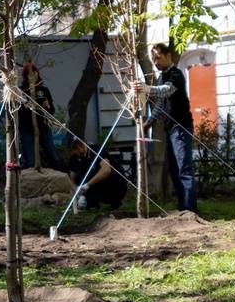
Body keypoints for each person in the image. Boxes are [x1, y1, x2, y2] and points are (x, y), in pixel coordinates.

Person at [134, 43, 197, 213]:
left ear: (168, 56)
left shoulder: (176, 75)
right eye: (153, 58)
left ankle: (189, 209)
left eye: (158, 57)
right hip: (171, 130)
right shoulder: (162, 76)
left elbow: (166, 91)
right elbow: (161, 104)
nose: (156, 61)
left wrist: (146, 89)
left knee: (184, 168)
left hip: (181, 128)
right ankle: (183, 208)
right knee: (174, 169)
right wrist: (148, 123)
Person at [16, 62, 64, 170]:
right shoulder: (21, 92)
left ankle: (60, 177)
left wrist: (47, 107)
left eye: (34, 72)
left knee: (53, 156)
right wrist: (25, 108)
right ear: (25, 76)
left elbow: (51, 111)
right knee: (30, 160)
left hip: (43, 128)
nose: (33, 75)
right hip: (26, 130)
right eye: (29, 74)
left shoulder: (44, 90)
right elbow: (18, 113)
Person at [67, 137, 128, 210]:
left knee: (99, 173)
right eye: (72, 150)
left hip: (116, 184)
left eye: (75, 149)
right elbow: (72, 177)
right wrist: (76, 192)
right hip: (94, 186)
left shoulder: (96, 150)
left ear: (82, 146)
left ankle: (115, 201)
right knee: (81, 176)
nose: (74, 152)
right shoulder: (74, 158)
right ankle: (90, 203)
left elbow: (106, 170)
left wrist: (87, 185)